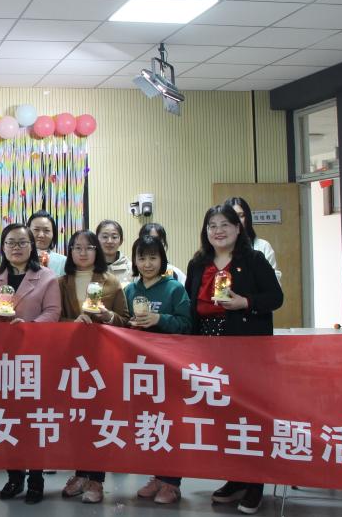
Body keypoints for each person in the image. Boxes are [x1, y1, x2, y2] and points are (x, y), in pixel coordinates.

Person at [186, 204, 282, 515]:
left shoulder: (253, 260)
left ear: (238, 228)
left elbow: (276, 297)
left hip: (246, 349)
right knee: (223, 417)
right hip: (208, 350)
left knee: (249, 417)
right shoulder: (198, 263)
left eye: (225, 224)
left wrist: (245, 302)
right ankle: (236, 477)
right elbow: (190, 304)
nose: (218, 231)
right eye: (212, 225)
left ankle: (255, 483)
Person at [0, 224, 61, 504]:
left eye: (22, 242)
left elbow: (53, 312)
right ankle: (14, 477)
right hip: (2, 359)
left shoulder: (47, 277)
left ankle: (36, 479)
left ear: (32, 246)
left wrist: (27, 327)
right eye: (10, 242)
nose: (16, 247)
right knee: (8, 419)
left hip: (34, 357)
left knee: (34, 420)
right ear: (2, 247)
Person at [58, 230, 129, 504]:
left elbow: (125, 320)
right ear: (70, 251)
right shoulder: (61, 282)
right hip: (72, 360)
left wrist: (108, 316)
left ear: (97, 251)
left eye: (89, 247)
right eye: (77, 247)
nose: (83, 252)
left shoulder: (111, 281)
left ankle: (96, 479)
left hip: (102, 360)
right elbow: (54, 318)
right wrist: (71, 323)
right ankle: (80, 473)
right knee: (77, 418)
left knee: (100, 419)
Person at [123, 234, 191, 504]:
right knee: (150, 424)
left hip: (169, 367)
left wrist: (159, 319)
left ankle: (172, 483)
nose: (147, 263)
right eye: (142, 258)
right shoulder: (130, 290)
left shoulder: (174, 289)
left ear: (162, 259)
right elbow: (121, 324)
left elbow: (187, 324)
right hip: (139, 368)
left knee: (171, 423)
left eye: (153, 257)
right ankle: (157, 476)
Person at [226, 197, 281, 282]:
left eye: (241, 216)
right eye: (233, 216)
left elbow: (275, 282)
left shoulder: (263, 246)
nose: (237, 221)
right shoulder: (219, 248)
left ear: (247, 218)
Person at [27, 211, 67, 276]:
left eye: (46, 230)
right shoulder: (19, 258)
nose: (41, 235)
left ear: (53, 233)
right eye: (36, 230)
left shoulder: (63, 261)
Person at [97, 219, 132, 284]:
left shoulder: (130, 268)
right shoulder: (89, 266)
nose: (109, 241)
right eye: (105, 237)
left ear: (121, 241)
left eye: (114, 237)